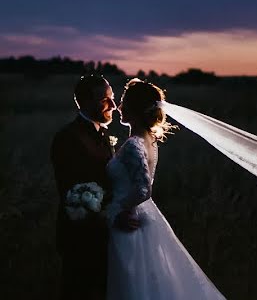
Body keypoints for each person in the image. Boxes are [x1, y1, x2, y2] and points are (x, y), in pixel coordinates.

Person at [106, 78, 224, 299]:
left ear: (137, 109)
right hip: (145, 215)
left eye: (124, 102)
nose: (119, 107)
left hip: (130, 218)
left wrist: (116, 210)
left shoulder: (133, 144)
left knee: (134, 282)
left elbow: (144, 190)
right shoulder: (149, 139)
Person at [51, 74, 118, 300]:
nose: (113, 106)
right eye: (105, 100)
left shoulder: (104, 134)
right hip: (80, 239)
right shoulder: (67, 138)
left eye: (113, 98)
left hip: (106, 237)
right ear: (86, 101)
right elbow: (72, 192)